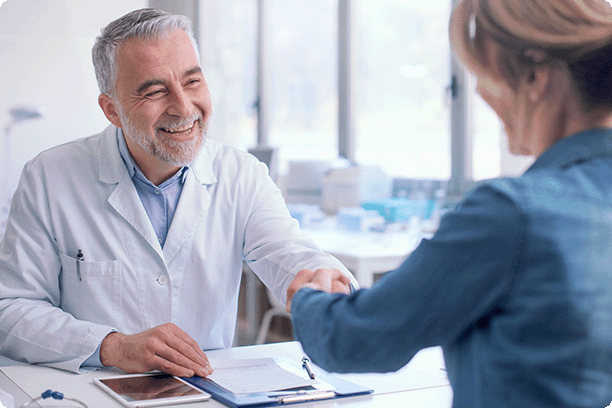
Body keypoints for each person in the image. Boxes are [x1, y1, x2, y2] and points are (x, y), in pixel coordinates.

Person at [287, 1, 612, 407]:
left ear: (535, 78)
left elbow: (355, 337)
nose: (477, 91)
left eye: (484, 75)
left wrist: (307, 299)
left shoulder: (512, 215)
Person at [0, 8, 354, 377]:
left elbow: (289, 253)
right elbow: (10, 308)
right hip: (91, 392)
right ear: (112, 109)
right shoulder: (49, 176)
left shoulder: (241, 176)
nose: (184, 108)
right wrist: (113, 346)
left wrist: (323, 278)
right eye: (155, 91)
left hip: (206, 393)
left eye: (192, 82)